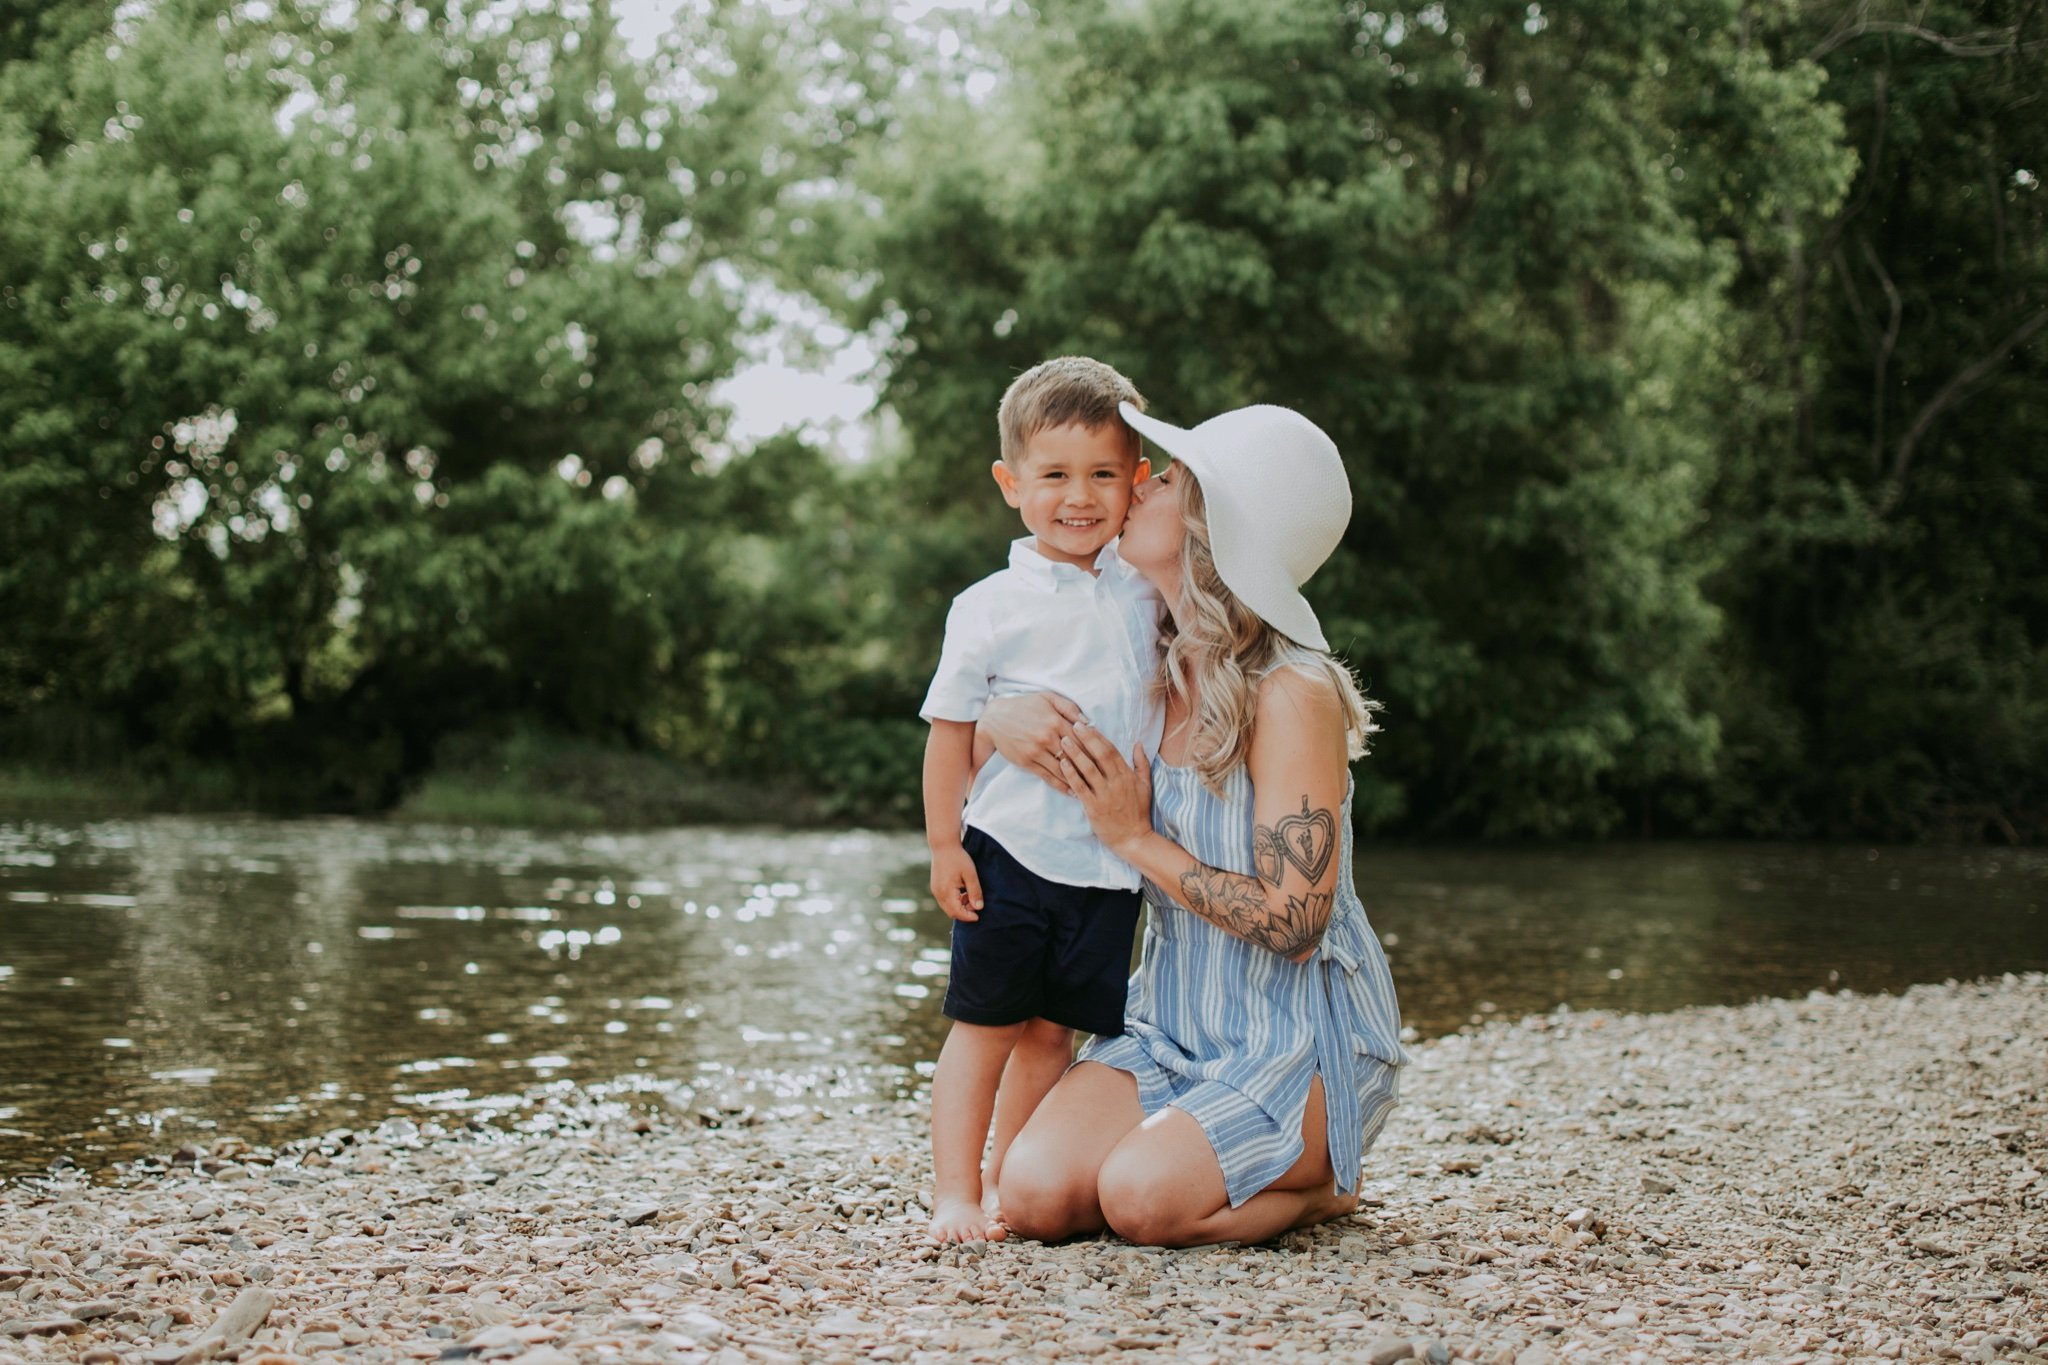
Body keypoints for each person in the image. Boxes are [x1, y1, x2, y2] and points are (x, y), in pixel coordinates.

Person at [977, 401, 1406, 1248]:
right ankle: (1205, 1156)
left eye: (1169, 479)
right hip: (1170, 1024)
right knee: (1033, 1197)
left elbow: (1295, 922)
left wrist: (1136, 839)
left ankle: (1326, 1189)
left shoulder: (1292, 693)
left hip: (1302, 1044)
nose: (1139, 484)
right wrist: (999, 717)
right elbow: (991, 698)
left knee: (1141, 1200)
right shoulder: (1140, 652)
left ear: (1217, 525)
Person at [918, 357, 1165, 1243]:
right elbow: (949, 731)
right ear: (1011, 483)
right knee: (985, 1027)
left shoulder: (1148, 586)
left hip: (1109, 869)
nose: (1080, 496)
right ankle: (954, 1191)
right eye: (1054, 474)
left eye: (1103, 473)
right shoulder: (988, 606)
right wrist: (944, 844)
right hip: (1011, 852)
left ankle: (1005, 1180)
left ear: (1137, 480)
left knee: (1053, 1036)